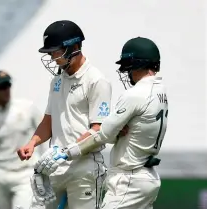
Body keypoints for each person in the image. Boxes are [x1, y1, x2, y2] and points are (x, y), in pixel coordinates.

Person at [35, 37, 168, 209]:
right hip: (148, 176)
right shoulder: (161, 91)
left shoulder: (134, 94)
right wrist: (116, 131)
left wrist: (66, 153)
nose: (127, 73)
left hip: (130, 177)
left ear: (137, 64)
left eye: (128, 67)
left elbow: (103, 134)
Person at [17, 20, 112, 209]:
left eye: (56, 52)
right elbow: (49, 120)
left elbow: (98, 130)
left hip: (85, 168)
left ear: (74, 47)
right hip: (55, 167)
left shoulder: (96, 81)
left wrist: (67, 152)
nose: (53, 58)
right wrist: (32, 142)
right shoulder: (57, 81)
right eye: (51, 54)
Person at [0, 70, 47, 209]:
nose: (6, 90)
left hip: (26, 173)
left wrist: (46, 166)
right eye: (1, 87)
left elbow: (45, 134)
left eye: (8, 85)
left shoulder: (27, 108)